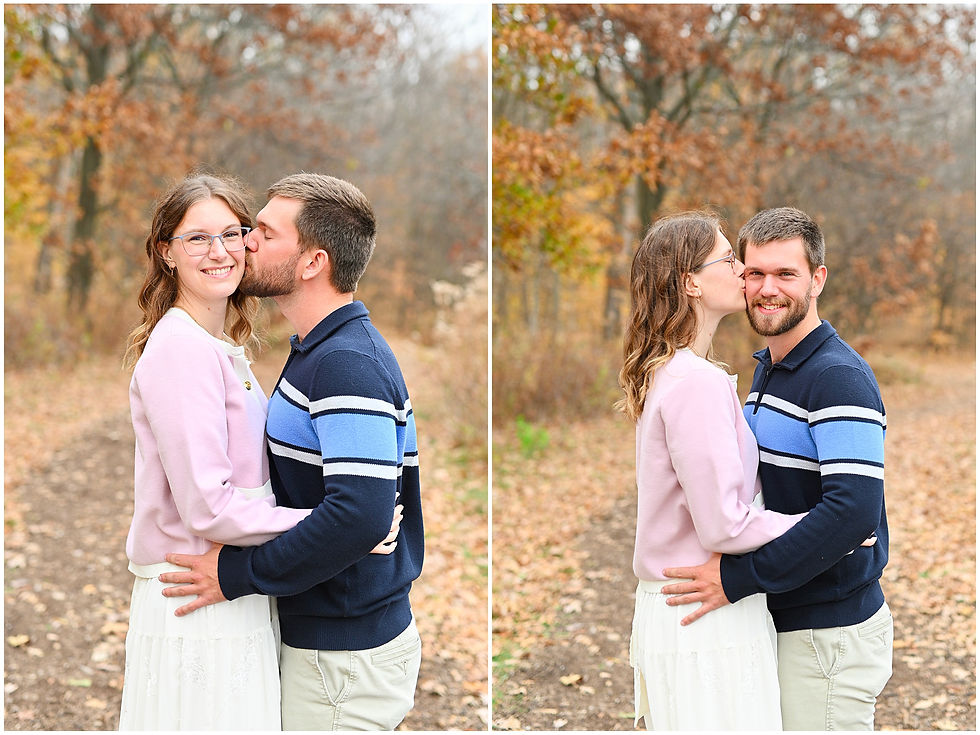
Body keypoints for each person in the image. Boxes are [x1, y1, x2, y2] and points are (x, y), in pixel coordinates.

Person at [119, 173, 399, 730]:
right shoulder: (179, 351)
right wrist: (337, 526)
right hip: (195, 594)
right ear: (165, 253)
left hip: (229, 587)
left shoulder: (220, 347)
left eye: (235, 231)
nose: (223, 250)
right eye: (196, 238)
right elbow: (209, 508)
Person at [662, 207, 892, 731]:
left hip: (829, 632)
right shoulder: (769, 370)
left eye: (786, 273)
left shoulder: (838, 377)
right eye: (755, 272)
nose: (768, 288)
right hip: (785, 622)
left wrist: (738, 578)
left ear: (817, 279)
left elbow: (853, 512)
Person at [616, 211, 815, 730]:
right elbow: (724, 524)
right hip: (704, 614)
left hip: (691, 608)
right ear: (691, 283)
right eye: (729, 260)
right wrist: (820, 528)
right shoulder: (693, 382)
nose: (744, 271)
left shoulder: (677, 373)